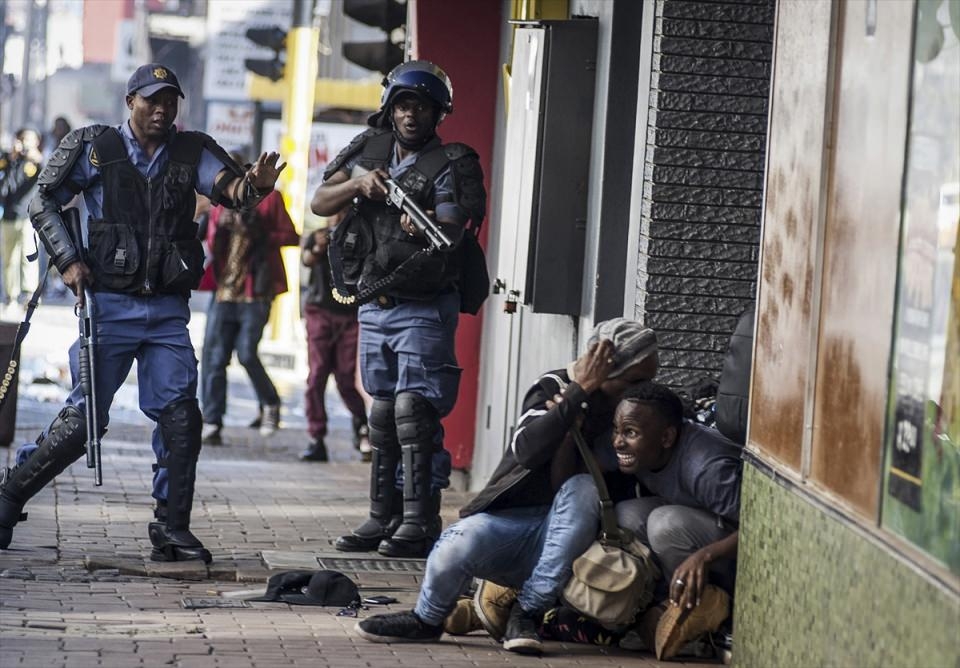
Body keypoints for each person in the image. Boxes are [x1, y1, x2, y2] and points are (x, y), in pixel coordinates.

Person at [0, 63, 286, 563]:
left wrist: (255, 186)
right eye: (151, 99)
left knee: (181, 418)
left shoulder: (190, 150)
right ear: (130, 101)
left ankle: (171, 528)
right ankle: (7, 498)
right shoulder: (96, 148)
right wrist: (67, 261)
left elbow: (230, 191)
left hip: (167, 313)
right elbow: (43, 200)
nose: (161, 109)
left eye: (170, 100)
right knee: (83, 419)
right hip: (107, 306)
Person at [354, 319, 658, 655]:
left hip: (587, 545)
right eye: (635, 381)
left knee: (582, 488)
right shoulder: (555, 386)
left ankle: (525, 611)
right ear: (605, 371)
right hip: (518, 525)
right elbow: (527, 450)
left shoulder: (640, 411)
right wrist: (578, 393)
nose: (641, 390)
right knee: (458, 541)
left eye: (649, 379)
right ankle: (427, 619)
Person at [312, 60, 486, 559]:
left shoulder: (452, 161)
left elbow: (455, 228)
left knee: (416, 412)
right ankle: (380, 517)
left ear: (437, 114)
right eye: (405, 105)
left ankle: (419, 520)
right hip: (374, 300)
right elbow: (321, 201)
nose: (412, 115)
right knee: (383, 412)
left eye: (423, 108)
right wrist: (358, 187)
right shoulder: (367, 149)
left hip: (425, 304)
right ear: (390, 108)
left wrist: (422, 221)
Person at [612, 381, 741, 659]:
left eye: (630, 433)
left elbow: (758, 532)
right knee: (625, 516)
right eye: (617, 430)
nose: (618, 442)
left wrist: (705, 556)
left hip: (736, 558)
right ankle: (660, 603)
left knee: (664, 523)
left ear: (667, 437)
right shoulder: (644, 451)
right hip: (699, 524)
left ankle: (702, 614)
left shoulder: (707, 469)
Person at [198, 152, 299, 445]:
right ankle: (213, 421)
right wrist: (221, 223)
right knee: (214, 357)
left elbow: (290, 236)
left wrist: (257, 230)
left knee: (246, 353)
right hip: (224, 290)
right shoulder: (218, 201)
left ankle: (270, 403)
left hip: (256, 290)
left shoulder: (271, 198)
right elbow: (211, 241)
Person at [299, 213, 369, 462]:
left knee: (345, 378)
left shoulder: (360, 234)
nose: (336, 216)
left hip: (350, 313)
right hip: (320, 311)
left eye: (341, 211)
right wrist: (318, 246)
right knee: (316, 375)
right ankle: (316, 437)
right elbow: (306, 260)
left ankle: (362, 426)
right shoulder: (318, 236)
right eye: (332, 211)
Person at [0, 127, 43, 308]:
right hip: (9, 216)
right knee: (9, 258)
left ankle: (29, 294)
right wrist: (11, 159)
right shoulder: (9, 161)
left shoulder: (38, 163)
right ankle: (11, 296)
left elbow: (44, 178)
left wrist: (35, 157)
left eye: (29, 140)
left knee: (29, 255)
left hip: (28, 217)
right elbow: (4, 187)